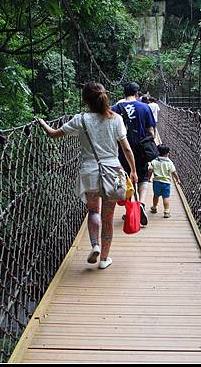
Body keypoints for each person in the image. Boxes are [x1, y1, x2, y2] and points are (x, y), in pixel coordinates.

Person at [37, 82, 138, 270]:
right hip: (113, 173)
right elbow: (126, 148)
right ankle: (104, 260)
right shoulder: (115, 118)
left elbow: (53, 134)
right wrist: (133, 171)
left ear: (84, 100)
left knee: (93, 212)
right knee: (108, 218)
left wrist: (42, 123)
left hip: (89, 172)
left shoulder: (80, 120)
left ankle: (95, 245)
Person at [112, 82, 156, 226]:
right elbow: (152, 132)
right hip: (141, 148)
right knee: (143, 177)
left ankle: (130, 209)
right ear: (137, 94)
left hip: (122, 148)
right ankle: (141, 204)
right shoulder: (145, 107)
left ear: (123, 94)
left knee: (126, 178)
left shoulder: (115, 109)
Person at [149, 144, 181, 218]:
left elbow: (150, 170)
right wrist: (177, 179)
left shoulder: (154, 161)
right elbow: (174, 172)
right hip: (166, 183)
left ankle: (154, 207)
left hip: (156, 182)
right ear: (167, 153)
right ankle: (166, 211)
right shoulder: (169, 163)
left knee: (156, 195)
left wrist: (149, 178)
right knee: (165, 197)